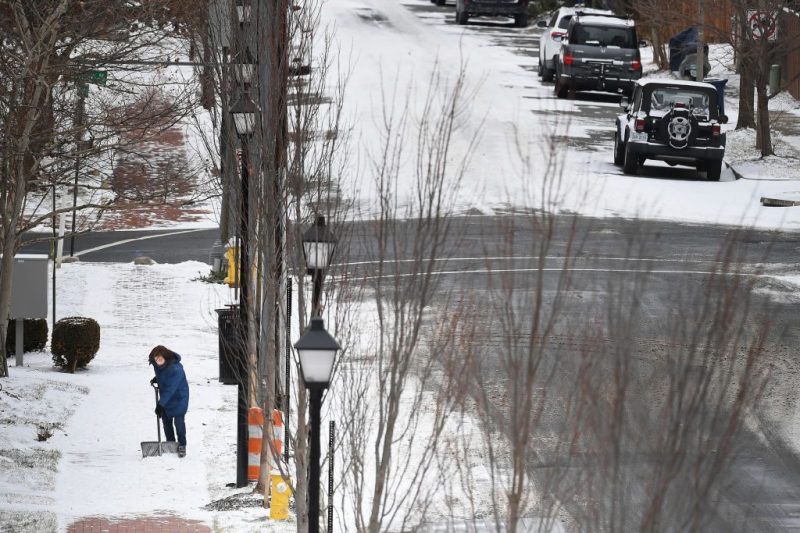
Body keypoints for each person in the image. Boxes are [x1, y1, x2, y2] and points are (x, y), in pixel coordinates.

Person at [149, 345, 189, 457]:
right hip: (166, 398)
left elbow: (171, 389)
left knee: (179, 423)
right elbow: (164, 374)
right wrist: (157, 379)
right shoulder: (159, 365)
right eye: (156, 359)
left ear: (165, 357)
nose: (158, 362)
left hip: (179, 397)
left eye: (160, 359)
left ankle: (182, 445)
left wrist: (160, 404)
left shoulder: (176, 369)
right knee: (166, 422)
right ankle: (171, 444)